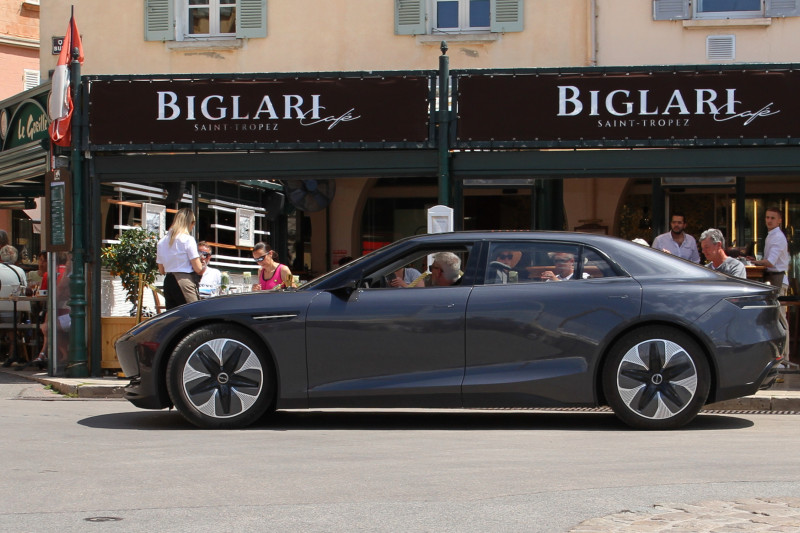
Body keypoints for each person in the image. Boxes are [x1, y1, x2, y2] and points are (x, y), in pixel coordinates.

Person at [156, 208, 206, 310]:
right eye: (193, 223)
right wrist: (202, 263)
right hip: (184, 280)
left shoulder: (161, 242)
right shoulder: (188, 239)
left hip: (168, 281)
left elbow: (161, 270)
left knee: (174, 317)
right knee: (194, 314)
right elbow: (198, 268)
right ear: (190, 223)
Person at [751, 207, 789, 294]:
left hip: (777, 279)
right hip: (771, 279)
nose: (769, 220)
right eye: (767, 217)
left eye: (772, 218)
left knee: (777, 307)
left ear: (779, 220)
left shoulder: (778, 237)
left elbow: (770, 262)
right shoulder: (771, 235)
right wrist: (756, 261)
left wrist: (756, 262)